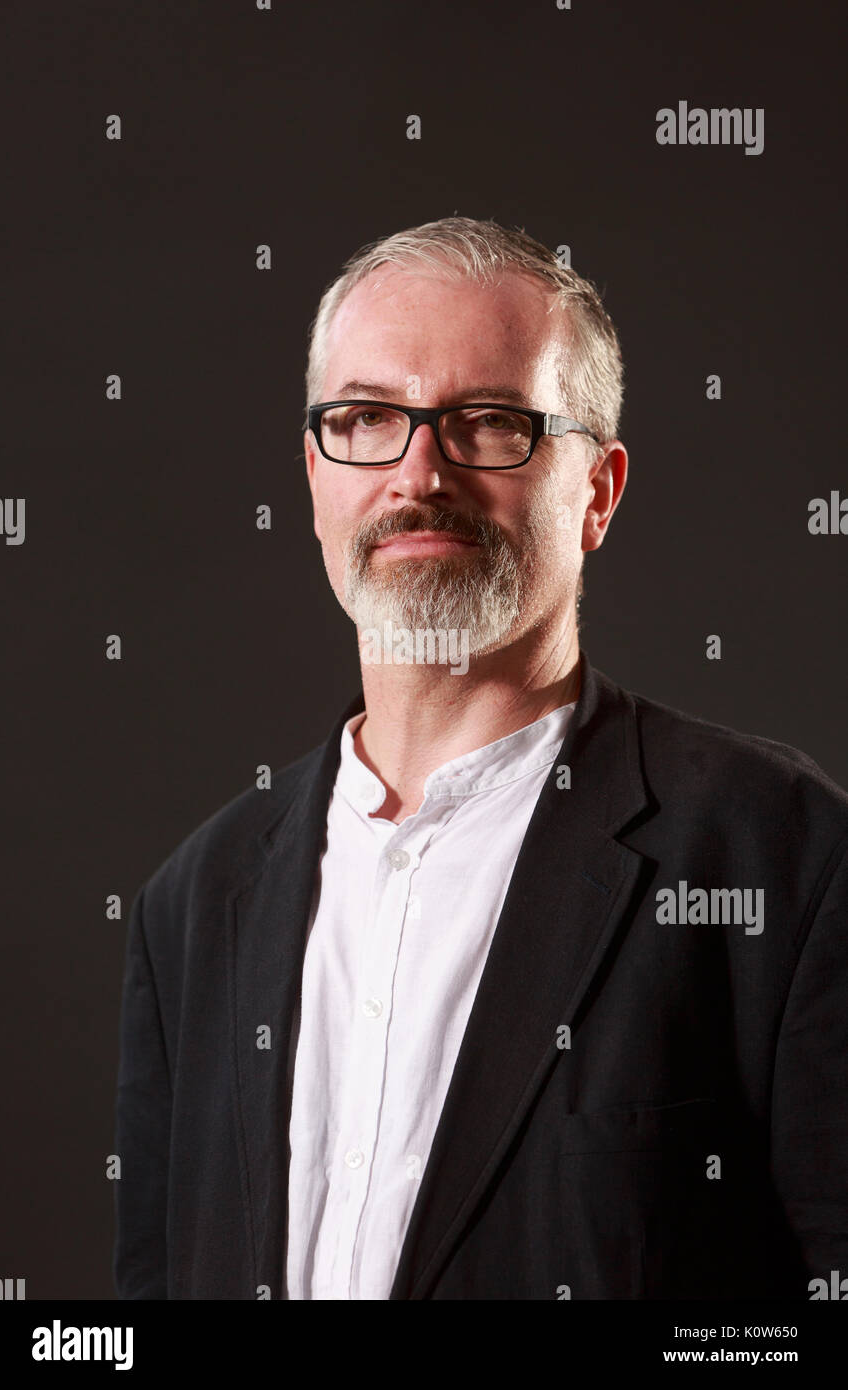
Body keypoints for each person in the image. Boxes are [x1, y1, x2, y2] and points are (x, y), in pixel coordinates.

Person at [113, 216, 848, 1300]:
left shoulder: (783, 861)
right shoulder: (194, 904)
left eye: (489, 423)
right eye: (364, 418)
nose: (417, 474)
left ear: (594, 491)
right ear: (314, 473)